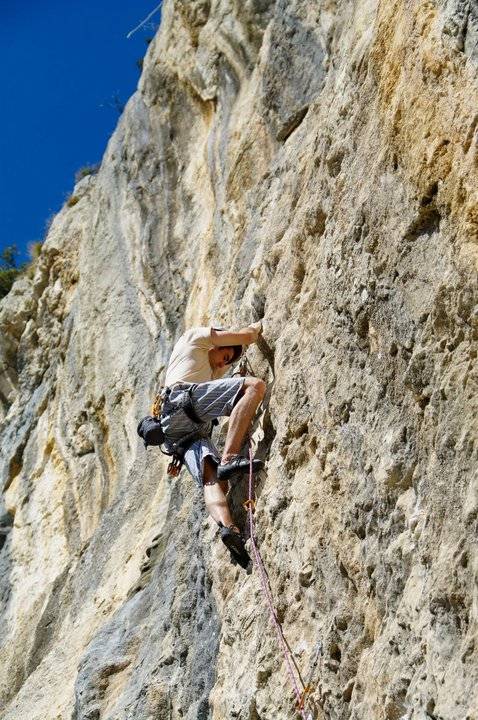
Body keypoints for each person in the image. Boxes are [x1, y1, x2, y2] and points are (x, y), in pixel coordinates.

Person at [160, 322, 266, 568]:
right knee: (255, 386)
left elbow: (221, 385)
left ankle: (230, 530)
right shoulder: (194, 338)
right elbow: (248, 336)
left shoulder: (202, 369)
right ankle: (229, 458)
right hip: (183, 402)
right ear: (218, 344)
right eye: (225, 355)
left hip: (175, 428)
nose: (223, 364)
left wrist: (231, 371)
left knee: (211, 478)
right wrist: (256, 326)